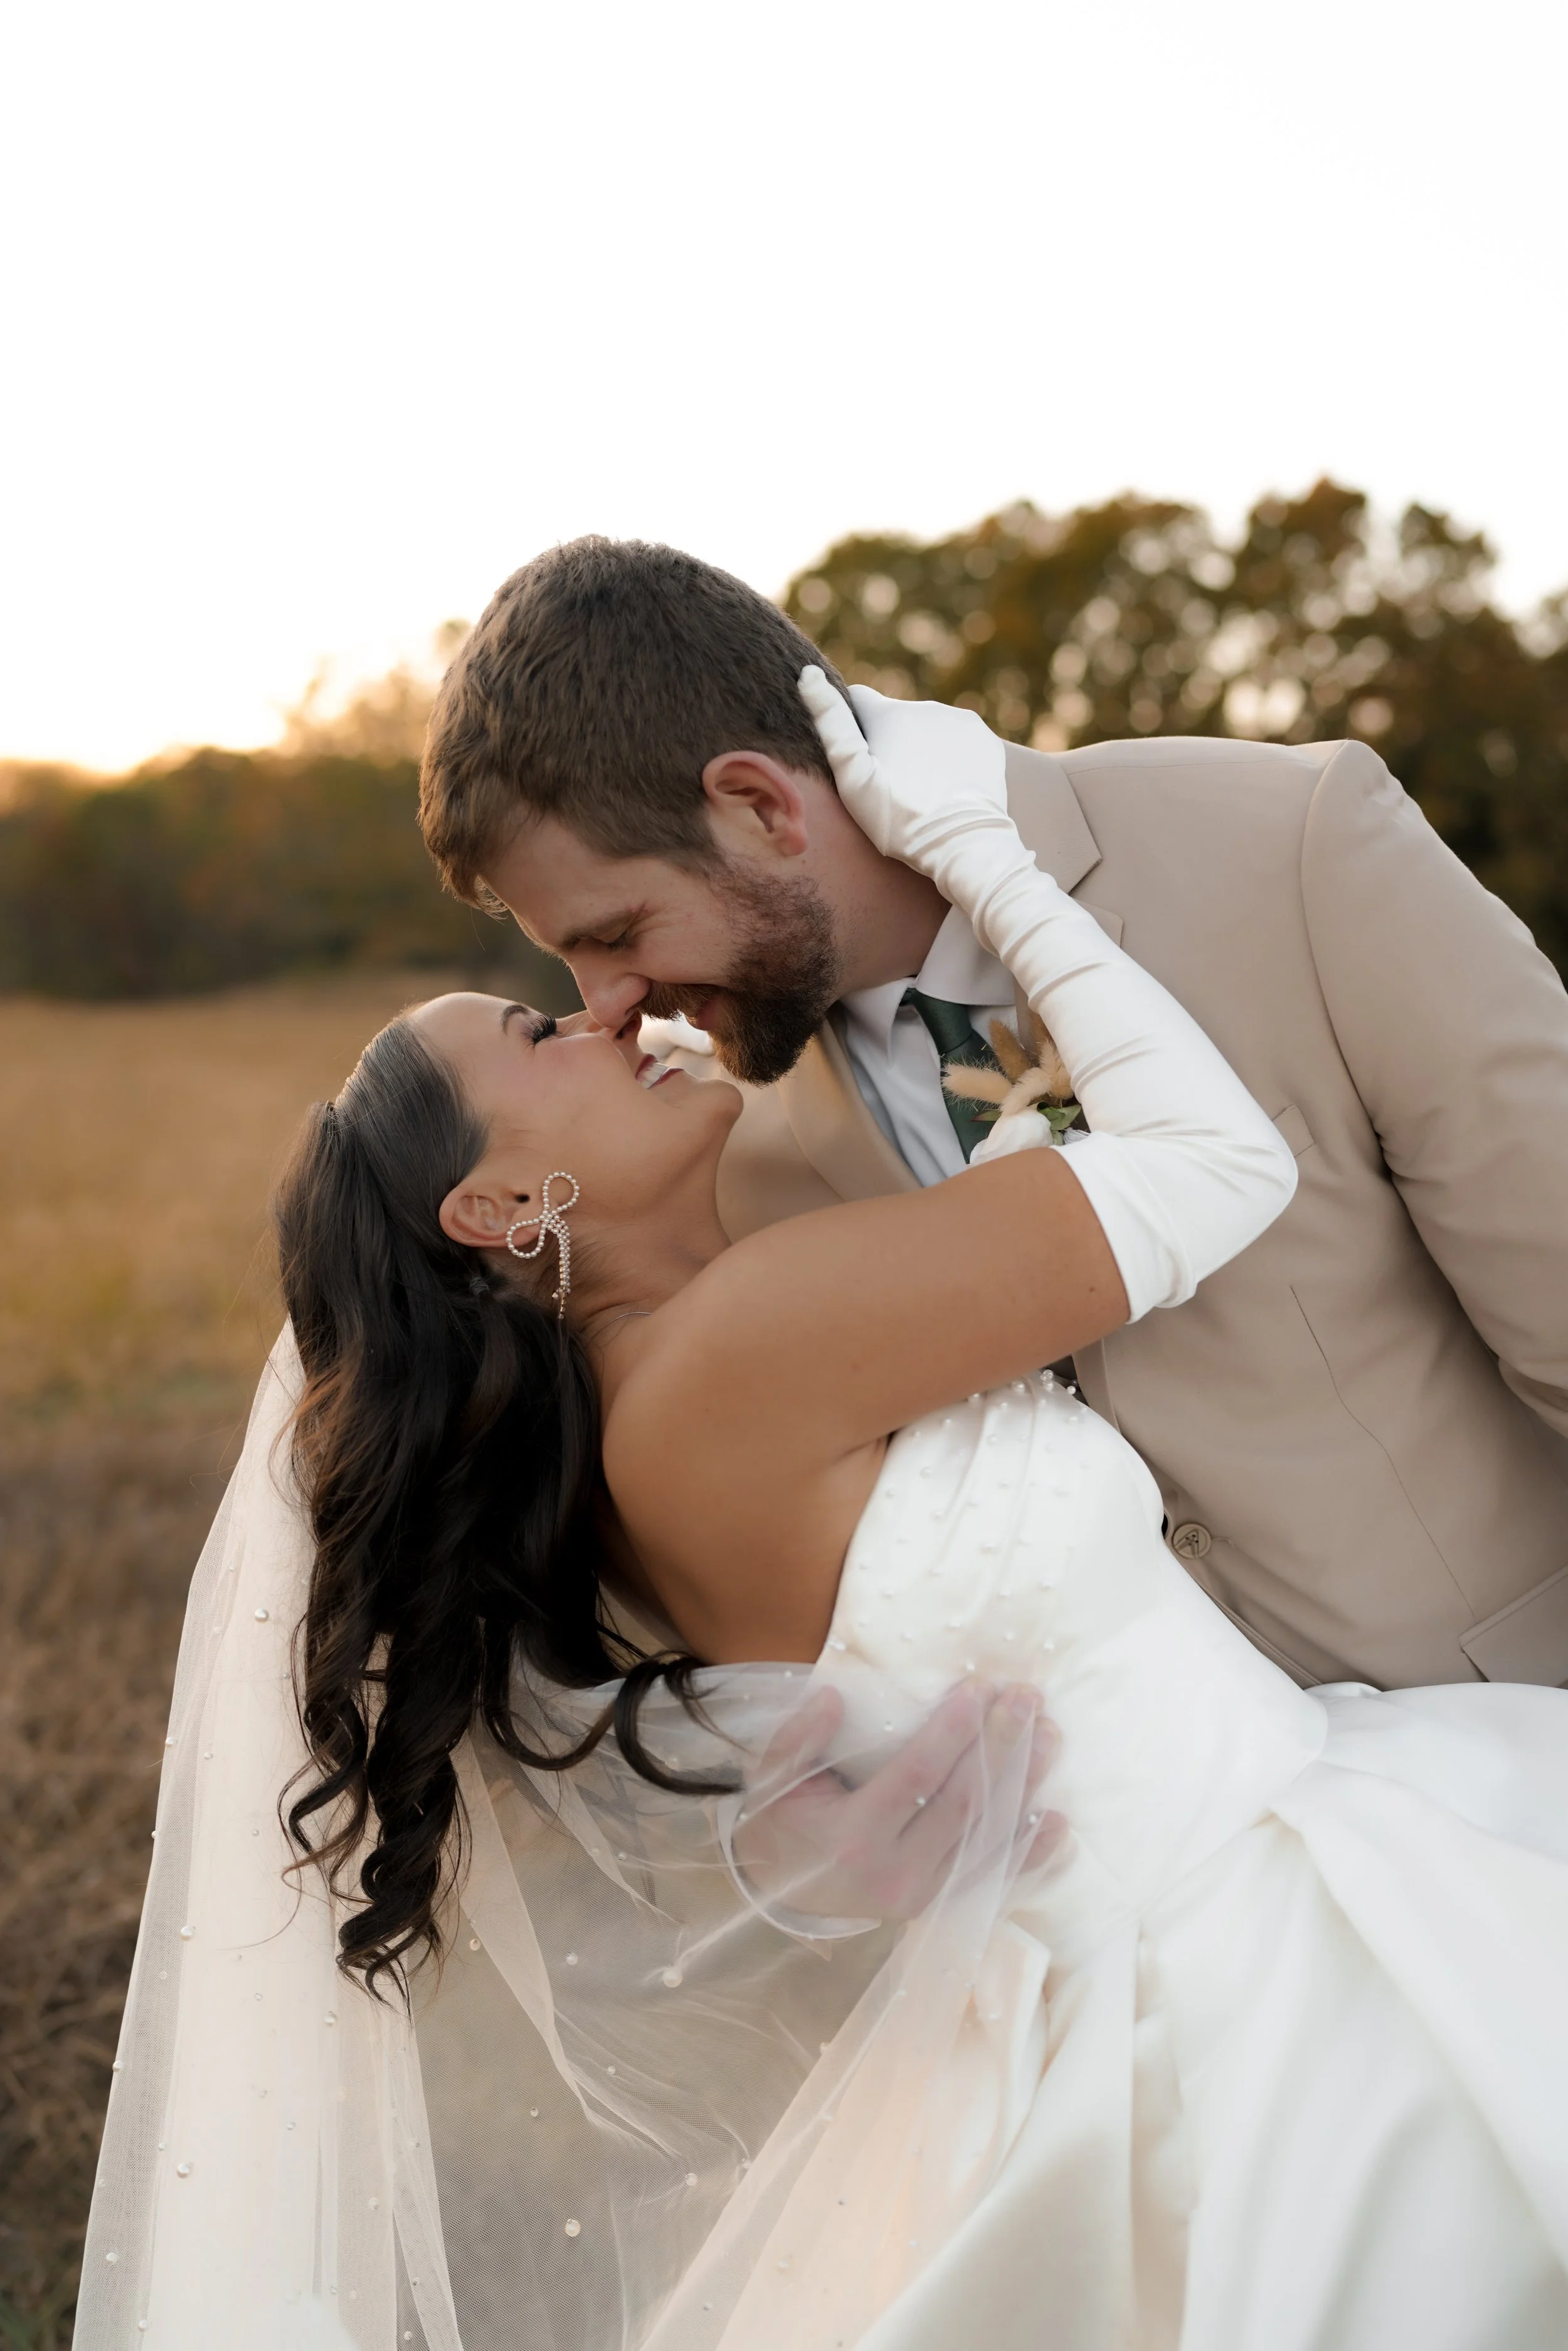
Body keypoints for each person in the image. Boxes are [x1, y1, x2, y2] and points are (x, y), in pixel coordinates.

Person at [81, 683, 1568, 2349]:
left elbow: (794, 1705)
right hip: (1257, 1955)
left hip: (1204, 1896)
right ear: (497, 1203)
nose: (608, 1012)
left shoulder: (643, 1414)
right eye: (540, 1029)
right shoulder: (737, 1351)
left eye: (586, 967)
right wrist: (985, 850)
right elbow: (1207, 1158)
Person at [418, 536, 1568, 1696]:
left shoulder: (1290, 846)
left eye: (616, 936)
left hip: (1514, 1733)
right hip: (1157, 1840)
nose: (608, 1005)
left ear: (760, 805)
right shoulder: (732, 1165)